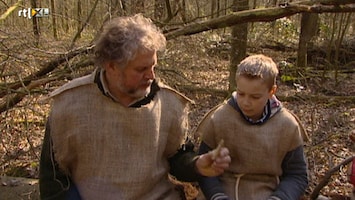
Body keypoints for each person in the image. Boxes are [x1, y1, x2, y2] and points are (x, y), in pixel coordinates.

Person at [39, 14, 230, 200]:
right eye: (141, 69)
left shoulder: (169, 104)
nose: (151, 76)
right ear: (111, 66)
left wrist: (196, 165)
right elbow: (54, 181)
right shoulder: (69, 104)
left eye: (153, 66)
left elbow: (178, 158)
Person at [196, 54, 309, 200]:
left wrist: (280, 198)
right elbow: (203, 169)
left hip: (269, 193)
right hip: (222, 191)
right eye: (241, 94)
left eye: (255, 97)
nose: (246, 102)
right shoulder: (220, 118)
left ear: (271, 91)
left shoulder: (287, 125)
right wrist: (217, 196)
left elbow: (297, 175)